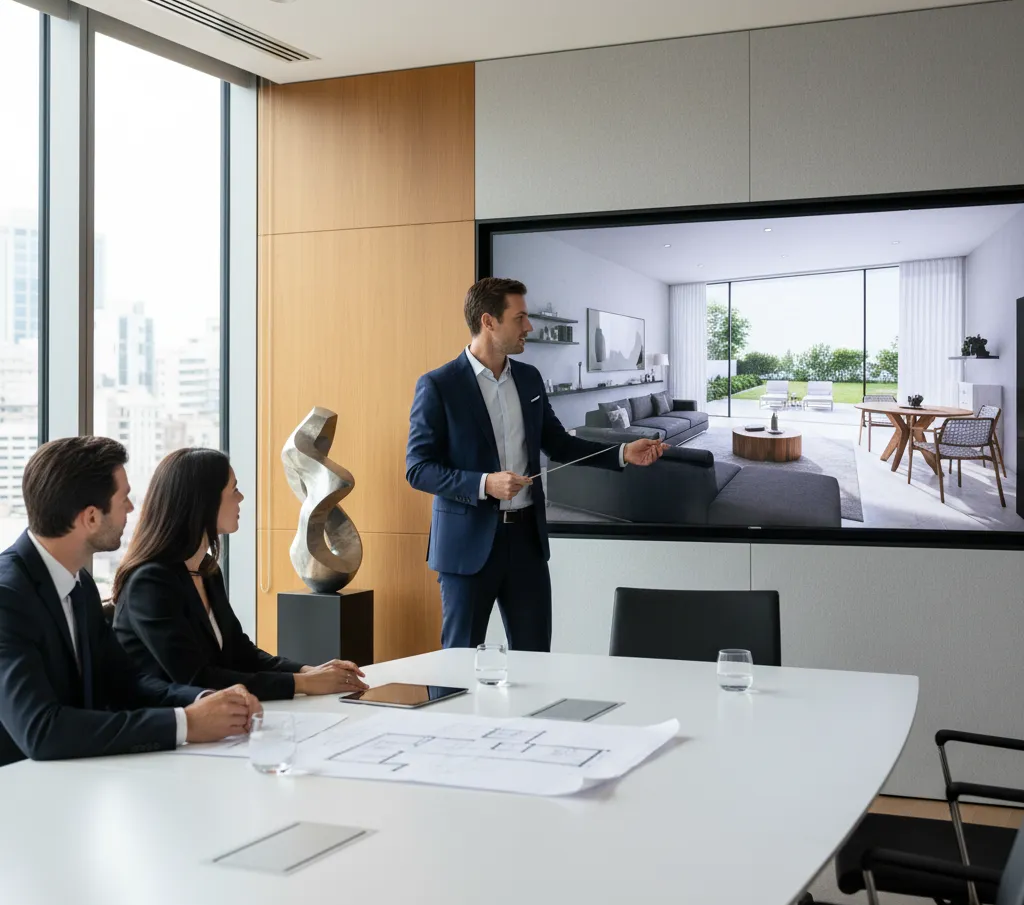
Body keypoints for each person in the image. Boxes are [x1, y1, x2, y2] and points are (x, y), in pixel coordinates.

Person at [406, 277, 667, 652]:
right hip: (466, 549)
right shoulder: (438, 385)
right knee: (457, 665)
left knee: (536, 661)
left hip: (526, 543)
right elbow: (418, 467)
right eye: (520, 317)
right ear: (488, 322)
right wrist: (485, 484)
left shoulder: (529, 379)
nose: (528, 327)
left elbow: (558, 444)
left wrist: (623, 453)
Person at [0, 437, 260, 767]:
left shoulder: (80, 586)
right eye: (123, 498)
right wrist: (187, 724)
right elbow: (41, 730)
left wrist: (207, 701)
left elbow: (126, 683)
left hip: (74, 779)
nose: (132, 508)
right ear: (91, 517)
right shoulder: (8, 598)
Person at [111, 448, 367, 702]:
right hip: (167, 727)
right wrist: (303, 684)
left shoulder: (206, 569)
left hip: (213, 721)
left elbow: (241, 653)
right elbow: (196, 679)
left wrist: (308, 671)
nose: (242, 497)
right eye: (234, 490)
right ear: (204, 501)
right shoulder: (149, 583)